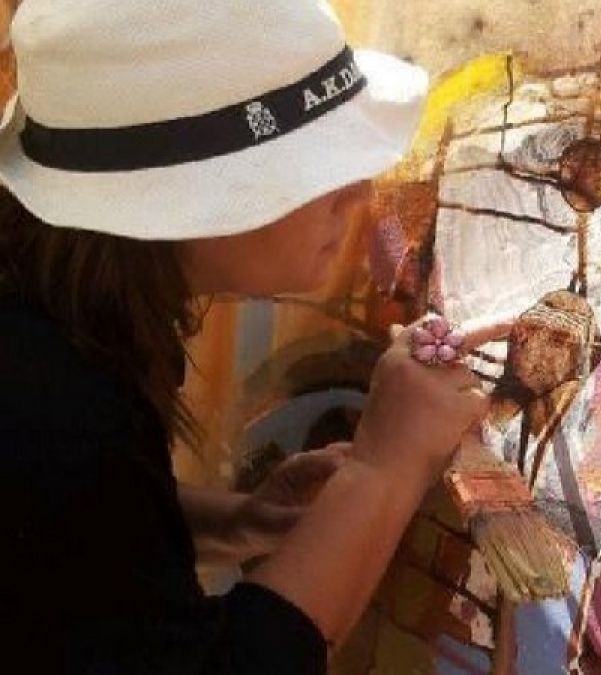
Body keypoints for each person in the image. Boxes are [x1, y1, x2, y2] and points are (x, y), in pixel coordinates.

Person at [0, 0, 502, 672]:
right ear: (183, 202)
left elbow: (68, 546)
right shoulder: (50, 404)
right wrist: (385, 467)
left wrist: (232, 523)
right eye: (319, 166)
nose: (360, 195)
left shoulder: (60, 310)